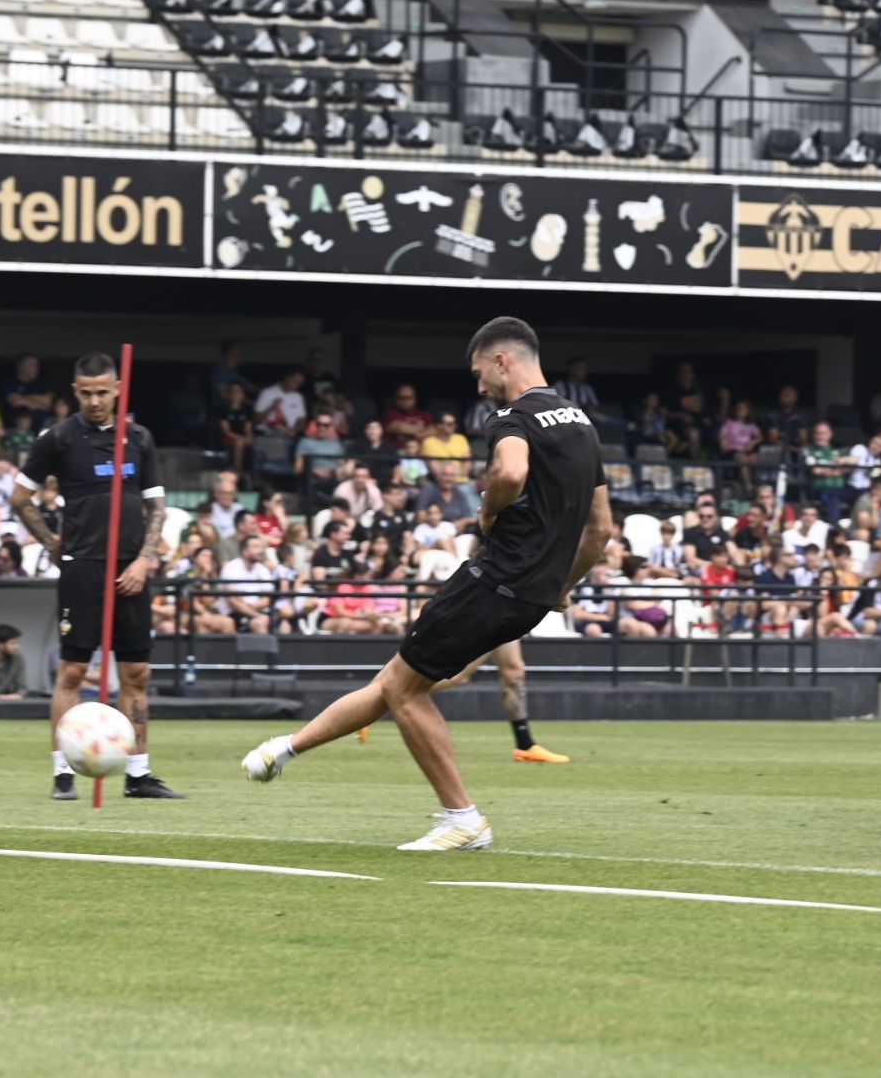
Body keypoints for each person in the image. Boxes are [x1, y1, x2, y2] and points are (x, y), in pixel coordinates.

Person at [242, 316, 608, 850]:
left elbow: (509, 474)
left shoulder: (511, 416)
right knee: (399, 681)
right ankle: (287, 748)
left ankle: (462, 819)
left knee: (402, 690)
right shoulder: (581, 424)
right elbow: (600, 529)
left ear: (502, 360)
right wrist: (562, 586)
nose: (480, 387)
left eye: (480, 373)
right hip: (530, 596)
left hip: (495, 579)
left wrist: (487, 513)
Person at [13, 351, 182, 800]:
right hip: (83, 568)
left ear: (117, 389)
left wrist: (145, 560)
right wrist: (51, 543)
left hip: (131, 569)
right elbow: (20, 497)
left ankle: (139, 775)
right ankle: (63, 772)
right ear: (75, 392)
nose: (94, 401)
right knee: (72, 672)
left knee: (138, 673)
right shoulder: (60, 438)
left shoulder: (140, 439)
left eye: (102, 392)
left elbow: (156, 506)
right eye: (86, 393)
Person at [3, 354, 55, 424]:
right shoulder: (11, 383)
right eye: (32, 365)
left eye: (37, 366)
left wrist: (24, 397)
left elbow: (49, 402)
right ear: (22, 366)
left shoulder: (41, 384)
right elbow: (16, 402)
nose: (37, 369)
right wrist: (41, 404)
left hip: (42, 427)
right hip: (19, 430)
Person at [255, 368, 308, 436]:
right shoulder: (267, 392)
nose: (296, 385)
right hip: (266, 434)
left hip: (289, 435)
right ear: (287, 377)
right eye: (294, 381)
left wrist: (295, 430)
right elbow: (256, 419)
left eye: (299, 384)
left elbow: (302, 420)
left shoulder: (298, 396)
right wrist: (271, 407)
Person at [216, 381, 255, 473]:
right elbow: (226, 430)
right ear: (228, 394)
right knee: (239, 443)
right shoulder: (223, 409)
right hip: (228, 437)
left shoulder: (247, 409)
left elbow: (248, 428)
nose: (235, 395)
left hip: (243, 436)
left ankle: (252, 471)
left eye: (238, 392)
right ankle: (238, 470)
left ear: (243, 394)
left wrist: (249, 437)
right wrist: (240, 438)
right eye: (232, 391)